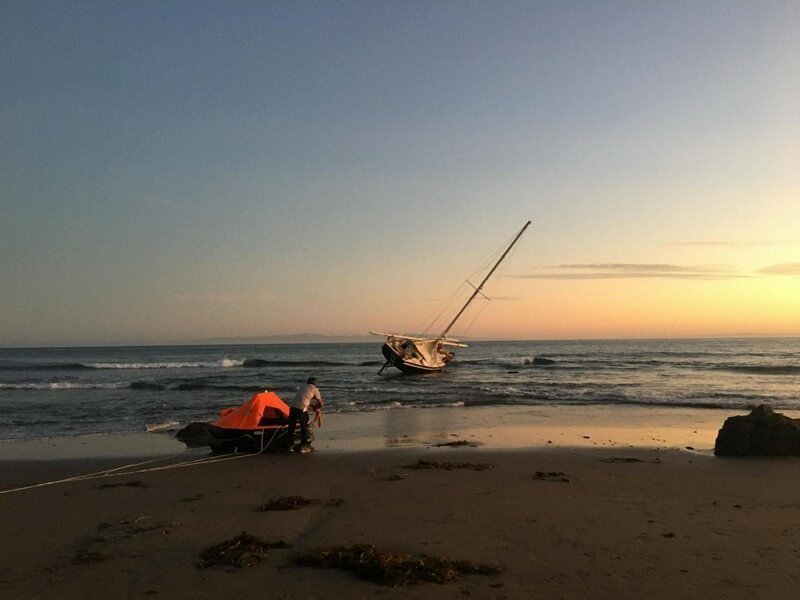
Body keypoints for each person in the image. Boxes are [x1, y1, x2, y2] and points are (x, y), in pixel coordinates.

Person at [286, 377, 322, 453]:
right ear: (315, 383)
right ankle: (303, 446)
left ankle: (290, 447)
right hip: (302, 409)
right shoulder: (315, 389)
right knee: (304, 427)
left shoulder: (303, 387)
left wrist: (312, 406)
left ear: (307, 382)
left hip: (292, 408)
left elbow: (304, 399)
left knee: (291, 428)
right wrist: (317, 408)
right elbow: (320, 402)